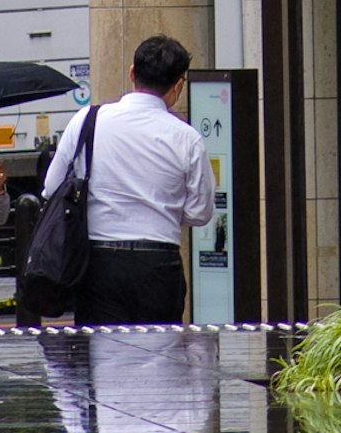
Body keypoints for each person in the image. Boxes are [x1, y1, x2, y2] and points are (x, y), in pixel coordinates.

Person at [30, 30, 217, 331]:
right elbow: (201, 212)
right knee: (160, 359)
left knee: (103, 359)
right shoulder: (187, 138)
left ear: (132, 73)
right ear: (178, 86)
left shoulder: (87, 120)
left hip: (98, 264)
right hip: (158, 264)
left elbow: (51, 188)